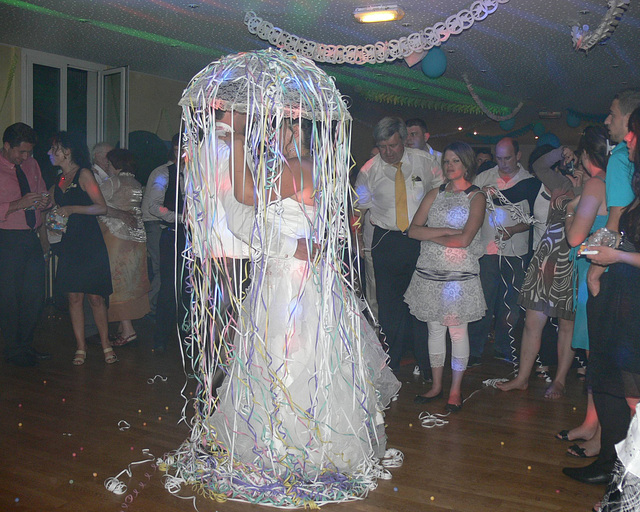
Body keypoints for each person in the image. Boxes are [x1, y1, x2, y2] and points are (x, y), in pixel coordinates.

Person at [164, 49, 401, 507]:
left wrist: (233, 140)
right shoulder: (298, 168)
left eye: (281, 127)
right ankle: (281, 437)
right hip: (288, 275)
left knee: (289, 357)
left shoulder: (300, 167)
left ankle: (294, 443)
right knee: (284, 356)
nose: (273, 134)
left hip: (293, 283)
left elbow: (246, 195)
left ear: (297, 130)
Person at [355, 117, 443, 378]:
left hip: (419, 239)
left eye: (392, 145)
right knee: (389, 307)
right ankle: (391, 365)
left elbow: (441, 192)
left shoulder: (425, 163)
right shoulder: (369, 171)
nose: (387, 152)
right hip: (386, 240)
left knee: (421, 305)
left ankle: (426, 365)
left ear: (403, 140)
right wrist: (358, 238)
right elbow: (359, 209)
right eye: (382, 147)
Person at [405, 141, 486, 411]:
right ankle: (437, 386)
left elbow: (465, 240)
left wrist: (434, 234)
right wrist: (445, 233)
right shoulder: (434, 193)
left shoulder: (476, 197)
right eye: (447, 161)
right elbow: (412, 231)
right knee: (434, 329)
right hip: (429, 271)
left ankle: (455, 390)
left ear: (466, 164)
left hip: (457, 275)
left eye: (455, 161)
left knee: (457, 331)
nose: (450, 166)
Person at [497, 145, 581, 398]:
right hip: (546, 256)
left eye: (581, 158)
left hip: (573, 258)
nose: (576, 164)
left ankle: (560, 380)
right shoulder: (562, 181)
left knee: (567, 324)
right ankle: (522, 378)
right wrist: (563, 151)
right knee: (533, 321)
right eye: (576, 159)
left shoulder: (597, 187)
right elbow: (539, 166)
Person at [591, 106, 640, 510]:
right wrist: (609, 252)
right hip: (628, 297)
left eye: (633, 134)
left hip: (634, 300)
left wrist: (615, 258)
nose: (626, 140)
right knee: (629, 398)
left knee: (633, 397)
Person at [47, 131, 115, 365]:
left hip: (89, 242)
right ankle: (81, 346)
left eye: (54, 149)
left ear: (67, 151)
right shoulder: (58, 180)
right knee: (73, 296)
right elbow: (53, 207)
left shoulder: (84, 174)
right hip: (70, 242)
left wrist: (74, 209)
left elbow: (101, 208)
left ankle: (106, 345)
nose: (50, 153)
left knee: (95, 297)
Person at [468, 137, 538, 365]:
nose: (503, 162)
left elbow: (534, 220)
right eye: (498, 158)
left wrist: (513, 229)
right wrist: (478, 194)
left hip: (516, 252)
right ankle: (474, 351)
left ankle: (503, 348)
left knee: (510, 304)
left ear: (518, 155)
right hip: (487, 250)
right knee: (483, 302)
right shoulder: (484, 177)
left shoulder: (529, 181)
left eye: (507, 157)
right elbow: (468, 208)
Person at [0, 122, 51, 367]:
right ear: (6, 146)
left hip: (30, 236)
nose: (26, 157)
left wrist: (44, 202)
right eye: (21, 152)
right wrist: (17, 204)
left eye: (29, 152)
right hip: (6, 238)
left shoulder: (32, 164)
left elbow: (42, 192)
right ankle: (12, 349)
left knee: (34, 295)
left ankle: (26, 345)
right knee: (9, 297)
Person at [100, 148, 150, 345]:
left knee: (117, 281)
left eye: (109, 163)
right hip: (137, 238)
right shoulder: (136, 183)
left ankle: (127, 329)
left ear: (117, 165)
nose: (107, 166)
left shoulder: (114, 182)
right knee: (132, 280)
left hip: (116, 237)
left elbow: (96, 204)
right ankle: (125, 325)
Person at [141, 134, 179, 317]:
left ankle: (161, 309)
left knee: (169, 270)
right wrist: (180, 218)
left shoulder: (190, 172)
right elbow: (154, 207)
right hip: (156, 224)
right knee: (160, 269)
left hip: (171, 226)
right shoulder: (163, 173)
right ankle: (150, 308)